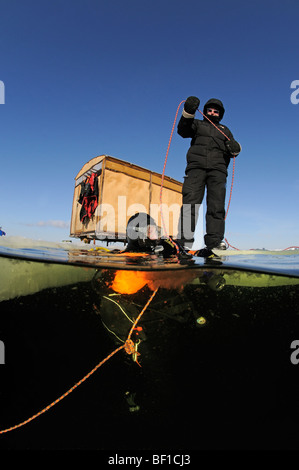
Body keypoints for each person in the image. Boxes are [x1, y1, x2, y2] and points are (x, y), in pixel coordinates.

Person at [177, 96, 241, 251]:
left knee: (216, 207)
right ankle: (184, 242)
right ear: (205, 112)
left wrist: (236, 147)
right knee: (190, 204)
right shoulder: (197, 124)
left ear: (220, 114)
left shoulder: (225, 130)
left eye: (216, 111)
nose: (213, 113)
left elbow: (235, 150)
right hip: (196, 168)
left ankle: (214, 243)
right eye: (210, 110)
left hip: (218, 171)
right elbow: (183, 131)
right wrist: (188, 111)